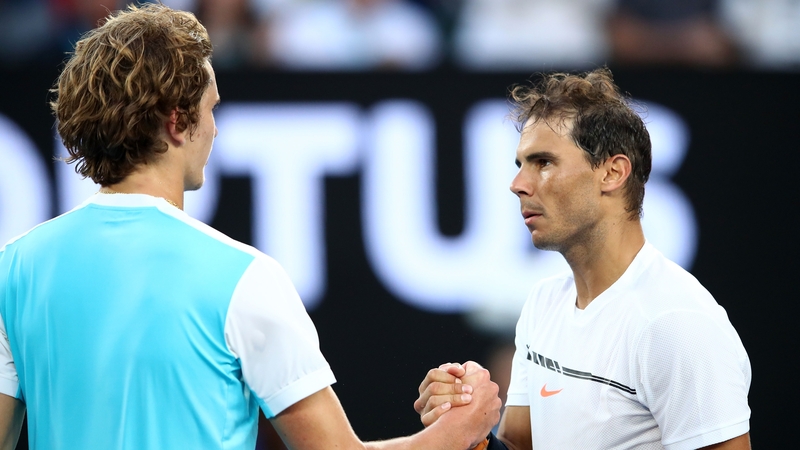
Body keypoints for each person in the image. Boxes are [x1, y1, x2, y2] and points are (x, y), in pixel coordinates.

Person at [0, 4, 501, 449]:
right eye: (210, 108)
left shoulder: (13, 268)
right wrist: (460, 429)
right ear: (178, 121)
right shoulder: (243, 277)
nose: (214, 127)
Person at [414, 68, 751, 449]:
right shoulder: (542, 304)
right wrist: (469, 432)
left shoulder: (674, 322)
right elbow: (518, 446)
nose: (518, 185)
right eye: (520, 165)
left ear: (612, 172)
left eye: (543, 162)